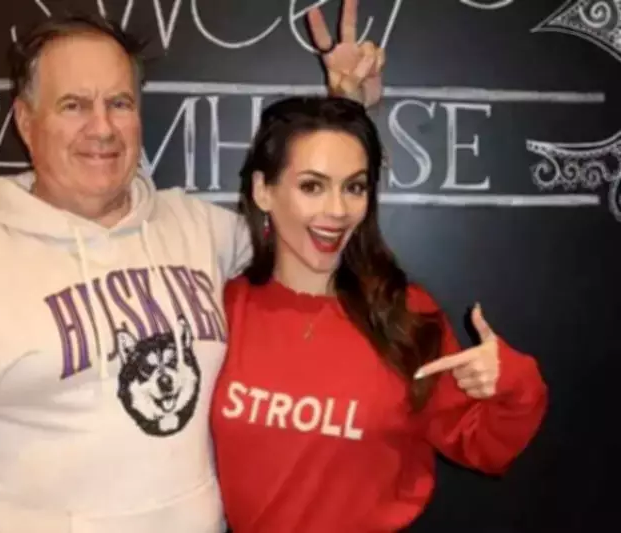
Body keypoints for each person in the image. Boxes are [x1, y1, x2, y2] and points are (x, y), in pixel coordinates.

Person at [0, 1, 385, 532]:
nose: (102, 128)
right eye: (74, 105)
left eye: (119, 103)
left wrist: (344, 112)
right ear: (25, 120)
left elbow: (306, 229)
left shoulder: (197, 229)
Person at [209, 95, 549, 532]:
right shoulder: (223, 309)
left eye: (354, 187)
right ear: (263, 191)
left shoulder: (403, 312)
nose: (337, 210)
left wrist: (512, 383)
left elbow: (483, 444)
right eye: (312, 186)